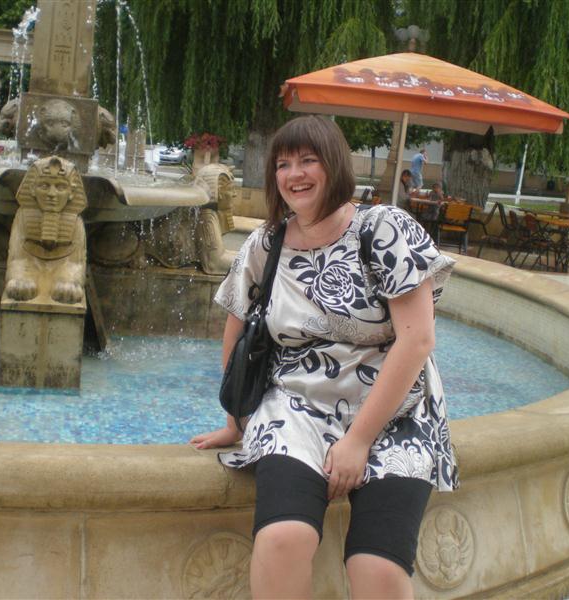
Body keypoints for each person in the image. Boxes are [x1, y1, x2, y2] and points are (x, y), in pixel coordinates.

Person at [190, 115, 458, 599]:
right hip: (296, 406)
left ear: (334, 165)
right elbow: (238, 327)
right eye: (283, 164)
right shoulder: (266, 243)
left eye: (308, 160)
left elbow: (417, 340)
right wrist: (235, 420)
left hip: (394, 412)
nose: (294, 174)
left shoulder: (384, 228)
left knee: (376, 566)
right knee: (283, 538)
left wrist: (358, 440)